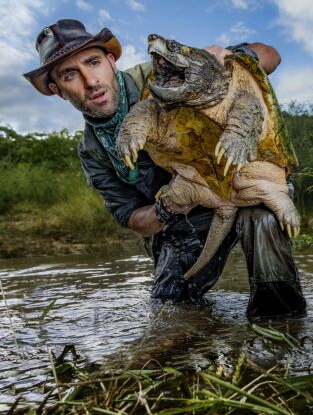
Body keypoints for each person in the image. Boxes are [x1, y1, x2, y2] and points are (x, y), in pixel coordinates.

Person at [24, 19, 306, 319]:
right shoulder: (93, 153)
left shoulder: (161, 74)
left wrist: (231, 57)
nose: (90, 81)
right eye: (70, 74)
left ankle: (280, 327)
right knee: (170, 309)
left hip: (246, 180)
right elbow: (132, 218)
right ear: (57, 90)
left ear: (110, 62)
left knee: (262, 216)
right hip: (185, 215)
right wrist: (169, 205)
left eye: (93, 62)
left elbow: (271, 57)